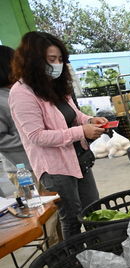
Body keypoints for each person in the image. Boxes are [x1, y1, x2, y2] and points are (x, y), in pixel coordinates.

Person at [9, 32, 107, 239]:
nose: (57, 65)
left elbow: (74, 114)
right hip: (56, 168)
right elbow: (37, 135)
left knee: (94, 211)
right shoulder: (22, 93)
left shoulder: (56, 85)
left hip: (79, 159)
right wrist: (81, 131)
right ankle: (74, 262)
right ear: (33, 60)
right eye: (51, 60)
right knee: (71, 218)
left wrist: (89, 121)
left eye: (60, 60)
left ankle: (100, 251)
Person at [0, 45, 31, 172]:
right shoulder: (2, 99)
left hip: (43, 162)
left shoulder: (21, 90)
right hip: (24, 170)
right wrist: (33, 139)